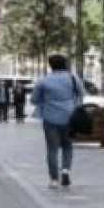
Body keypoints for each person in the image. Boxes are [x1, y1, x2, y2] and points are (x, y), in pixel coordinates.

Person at [32, 55, 83, 189]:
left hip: (50, 117)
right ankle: (65, 170)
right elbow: (81, 93)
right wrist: (74, 105)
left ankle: (54, 179)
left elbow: (34, 99)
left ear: (50, 65)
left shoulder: (44, 81)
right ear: (65, 64)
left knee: (52, 148)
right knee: (67, 145)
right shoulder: (73, 78)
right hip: (69, 116)